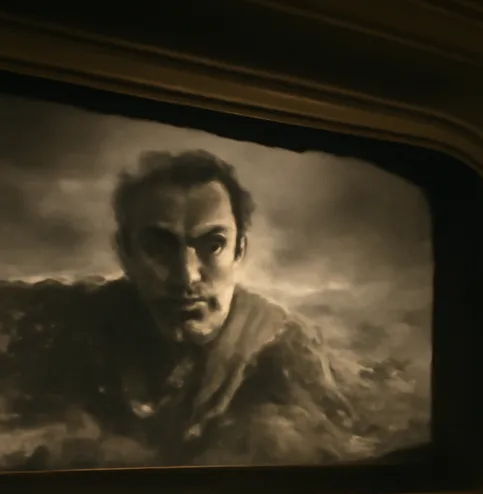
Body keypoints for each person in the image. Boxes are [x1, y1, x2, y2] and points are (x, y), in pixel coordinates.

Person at [0, 149, 360, 469]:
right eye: (159, 247)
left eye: (213, 245)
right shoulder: (76, 321)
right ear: (125, 252)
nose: (186, 276)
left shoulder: (282, 350)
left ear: (240, 251)